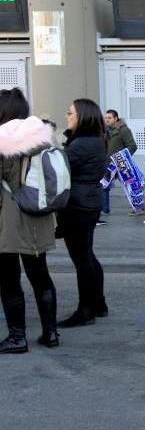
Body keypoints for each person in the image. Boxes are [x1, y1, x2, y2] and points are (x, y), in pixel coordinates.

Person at [0, 89, 60, 352]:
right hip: (40, 214)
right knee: (41, 276)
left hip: (9, 219)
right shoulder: (43, 138)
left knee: (9, 279)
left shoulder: (3, 141)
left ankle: (17, 337)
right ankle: (51, 333)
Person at [57, 99, 108, 328]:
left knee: (82, 258)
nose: (67, 116)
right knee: (87, 255)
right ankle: (98, 303)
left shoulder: (80, 144)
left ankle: (86, 310)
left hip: (78, 204)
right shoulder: (95, 140)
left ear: (83, 117)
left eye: (70, 113)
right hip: (89, 201)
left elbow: (59, 168)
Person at [100, 109, 137, 219]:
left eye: (109, 118)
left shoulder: (124, 130)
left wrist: (122, 157)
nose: (107, 120)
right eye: (105, 118)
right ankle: (104, 209)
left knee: (130, 185)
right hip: (108, 165)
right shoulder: (105, 131)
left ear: (116, 118)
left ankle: (138, 208)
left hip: (121, 164)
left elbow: (132, 146)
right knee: (103, 186)